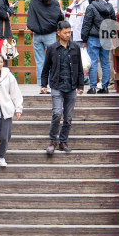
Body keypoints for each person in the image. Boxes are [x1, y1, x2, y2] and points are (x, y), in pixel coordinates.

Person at [41, 21, 85, 154]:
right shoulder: (52, 48)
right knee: (57, 113)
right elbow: (46, 68)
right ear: (58, 33)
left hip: (71, 86)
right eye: (65, 32)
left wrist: (80, 85)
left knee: (68, 117)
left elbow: (79, 67)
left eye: (69, 32)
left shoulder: (75, 47)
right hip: (56, 86)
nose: (68, 35)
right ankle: (53, 141)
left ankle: (63, 142)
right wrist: (44, 84)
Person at [27, 0, 64, 92]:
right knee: (53, 60)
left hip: (37, 35)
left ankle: (42, 85)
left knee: (40, 61)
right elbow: (60, 18)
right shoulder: (54, 3)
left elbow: (30, 19)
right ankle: (53, 84)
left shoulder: (33, 2)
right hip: (50, 35)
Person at [81, 0, 116, 94]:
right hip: (106, 38)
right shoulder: (110, 7)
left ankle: (92, 87)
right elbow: (113, 23)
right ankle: (105, 87)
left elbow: (86, 24)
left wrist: (84, 39)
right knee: (105, 62)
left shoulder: (91, 7)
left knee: (93, 62)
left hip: (93, 38)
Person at [66, 0, 90, 82]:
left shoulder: (85, 3)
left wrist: (83, 13)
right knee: (73, 55)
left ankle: (84, 78)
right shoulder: (74, 3)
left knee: (81, 56)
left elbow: (88, 16)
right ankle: (77, 77)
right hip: (73, 32)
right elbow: (68, 14)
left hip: (80, 34)